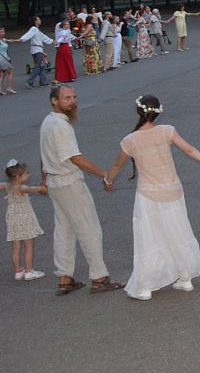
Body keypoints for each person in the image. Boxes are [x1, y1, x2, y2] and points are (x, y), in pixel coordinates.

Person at [104, 95, 200, 300]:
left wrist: (107, 180)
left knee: (148, 237)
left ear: (138, 112)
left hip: (148, 194)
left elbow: (117, 166)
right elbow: (189, 149)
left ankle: (145, 287)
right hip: (173, 190)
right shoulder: (167, 131)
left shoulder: (129, 141)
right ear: (157, 112)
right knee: (178, 231)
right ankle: (185, 278)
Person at [39, 84, 126, 295]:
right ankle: (99, 277)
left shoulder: (48, 121)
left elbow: (43, 155)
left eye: (74, 97)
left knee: (64, 230)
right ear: (54, 100)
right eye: (67, 98)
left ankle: (65, 278)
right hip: (69, 183)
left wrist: (44, 180)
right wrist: (104, 175)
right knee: (89, 229)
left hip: (55, 182)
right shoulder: (60, 126)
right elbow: (75, 158)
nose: (72, 102)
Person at [5, 160, 47, 281]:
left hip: (12, 218)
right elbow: (30, 189)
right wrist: (41, 188)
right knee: (28, 246)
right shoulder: (21, 187)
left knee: (16, 247)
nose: (28, 176)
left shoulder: (7, 186)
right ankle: (29, 271)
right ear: (18, 176)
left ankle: (18, 271)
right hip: (24, 218)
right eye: (26, 174)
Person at [18, 17, 53, 89]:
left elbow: (43, 37)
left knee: (41, 66)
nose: (40, 20)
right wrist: (21, 39)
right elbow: (28, 35)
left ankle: (43, 82)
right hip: (37, 50)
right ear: (35, 21)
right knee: (38, 66)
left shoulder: (37, 30)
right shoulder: (33, 29)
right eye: (39, 19)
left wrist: (52, 41)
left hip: (39, 49)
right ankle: (29, 82)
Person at [0, 27, 14, 93]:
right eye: (0, 32)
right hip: (2, 59)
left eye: (3, 32)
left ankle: (0, 89)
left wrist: (18, 40)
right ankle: (9, 87)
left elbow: (10, 40)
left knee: (2, 74)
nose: (2, 33)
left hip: (3, 59)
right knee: (10, 72)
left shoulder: (3, 40)